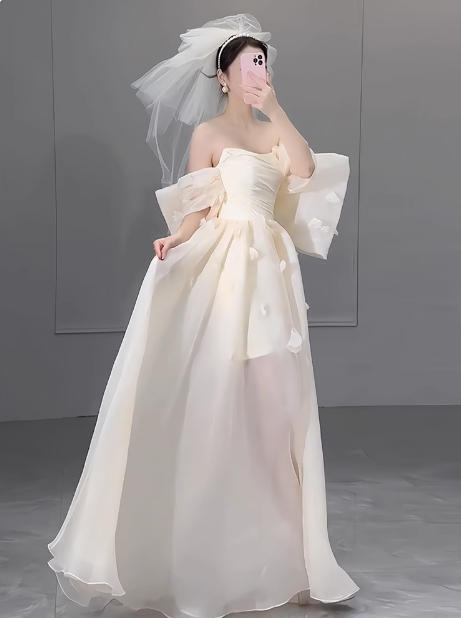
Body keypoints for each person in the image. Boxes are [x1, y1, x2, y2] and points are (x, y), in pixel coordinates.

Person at [47, 13, 359, 618]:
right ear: (223, 76)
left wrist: (278, 108)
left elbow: (303, 169)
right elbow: (196, 206)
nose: (259, 69)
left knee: (278, 410)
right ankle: (208, 557)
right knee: (218, 397)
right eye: (249, 62)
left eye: (264, 61)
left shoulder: (271, 129)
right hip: (225, 269)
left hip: (270, 272)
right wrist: (176, 239)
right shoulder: (209, 133)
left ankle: (288, 559)